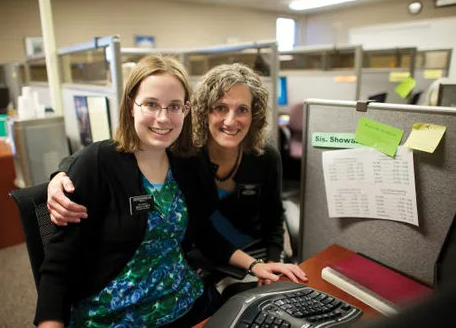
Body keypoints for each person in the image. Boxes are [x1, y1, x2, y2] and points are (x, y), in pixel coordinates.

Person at [47, 63, 306, 297]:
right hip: (201, 256)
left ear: (254, 114)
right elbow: (107, 155)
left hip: (252, 250)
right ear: (204, 112)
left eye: (242, 110)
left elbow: (274, 220)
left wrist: (272, 263)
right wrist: (60, 175)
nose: (231, 120)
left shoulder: (264, 156)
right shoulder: (185, 155)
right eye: (220, 108)